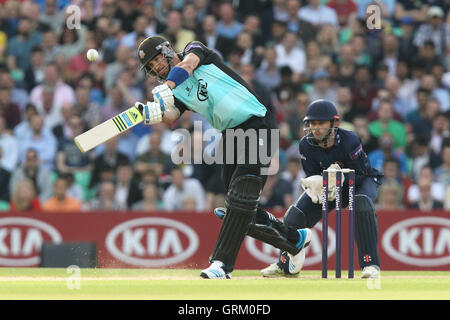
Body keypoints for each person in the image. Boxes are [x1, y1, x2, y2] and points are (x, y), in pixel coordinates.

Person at [136, 35, 300, 279]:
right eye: (151, 67)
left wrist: (167, 87)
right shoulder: (177, 90)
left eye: (157, 60)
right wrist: (153, 113)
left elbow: (188, 65)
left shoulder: (195, 51)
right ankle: (294, 238)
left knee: (241, 198)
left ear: (168, 50)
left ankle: (221, 265)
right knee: (240, 202)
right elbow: (171, 115)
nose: (156, 67)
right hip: (232, 135)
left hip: (257, 122)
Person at [216, 100, 384, 279]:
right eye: (312, 123)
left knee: (361, 203)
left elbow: (362, 172)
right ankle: (285, 263)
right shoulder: (305, 145)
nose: (316, 128)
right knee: (294, 216)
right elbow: (313, 176)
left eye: (321, 123)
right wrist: (321, 184)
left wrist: (342, 177)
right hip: (328, 187)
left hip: (360, 182)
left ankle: (370, 264)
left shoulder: (350, 140)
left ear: (334, 123)